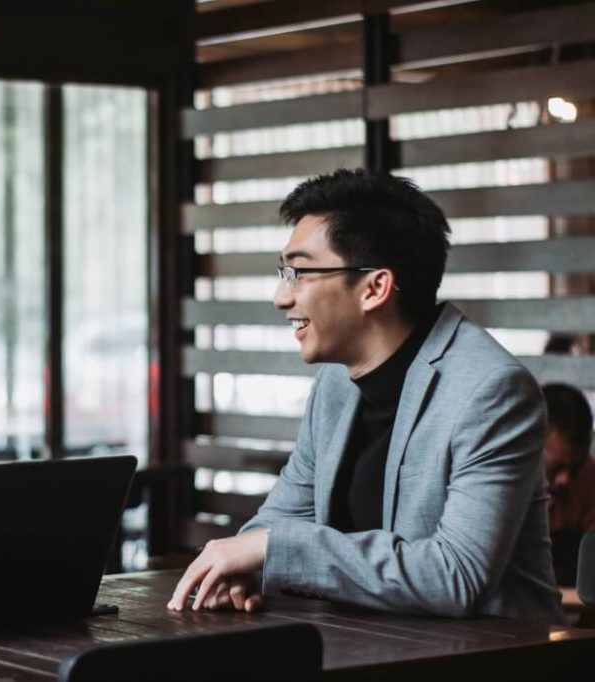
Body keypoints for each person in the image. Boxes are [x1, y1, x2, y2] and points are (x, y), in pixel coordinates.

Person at [168, 168, 562, 621]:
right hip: (369, 653)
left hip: (496, 660)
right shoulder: (335, 386)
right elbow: (276, 523)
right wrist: (243, 568)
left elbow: (456, 576)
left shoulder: (491, 390)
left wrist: (274, 551)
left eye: (299, 273)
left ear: (374, 288)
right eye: (284, 273)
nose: (281, 296)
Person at [543, 383, 595, 585]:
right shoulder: (500, 483)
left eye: (575, 467)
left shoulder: (589, 478)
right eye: (557, 466)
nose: (565, 479)